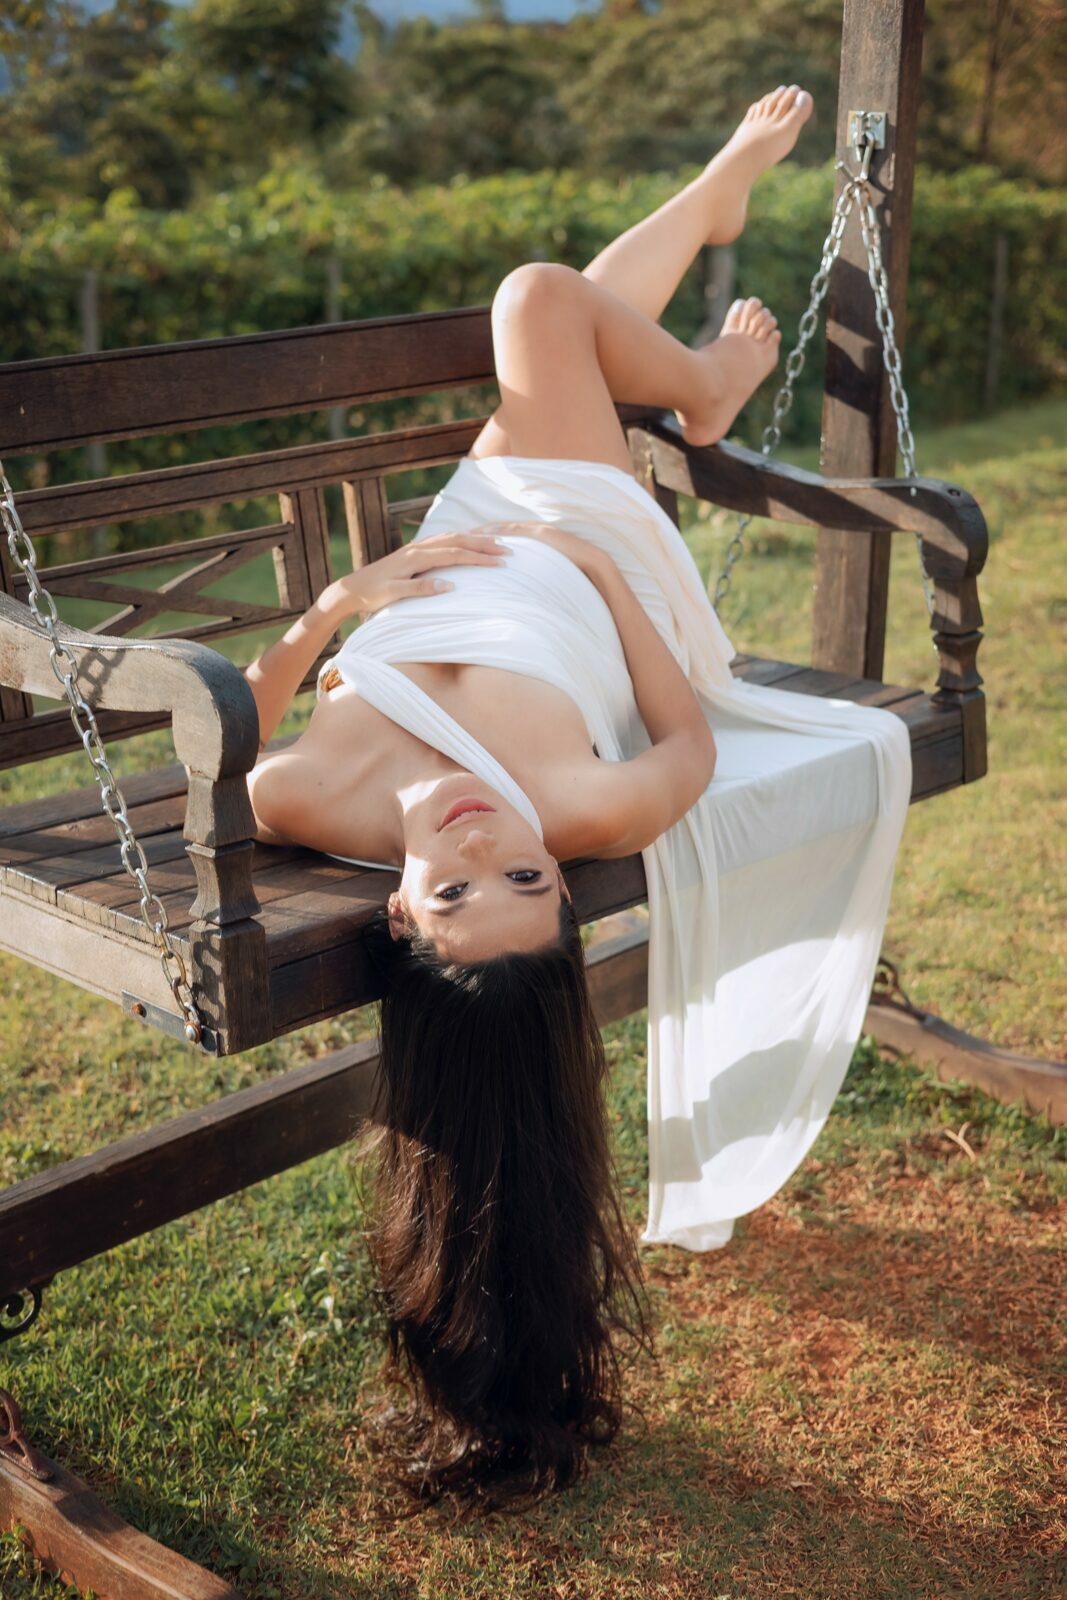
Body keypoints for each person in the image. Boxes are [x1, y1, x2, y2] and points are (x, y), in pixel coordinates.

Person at [241, 85, 912, 1507]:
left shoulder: (313, 796)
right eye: (528, 884)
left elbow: (229, 737)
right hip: (583, 574)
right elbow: (690, 749)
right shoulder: (578, 807)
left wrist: (335, 609)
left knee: (553, 328)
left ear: (403, 916)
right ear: (559, 880)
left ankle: (705, 280)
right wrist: (611, 581)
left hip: (461, 540)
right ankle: (704, 349)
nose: (490, 846)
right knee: (540, 303)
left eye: (458, 891)